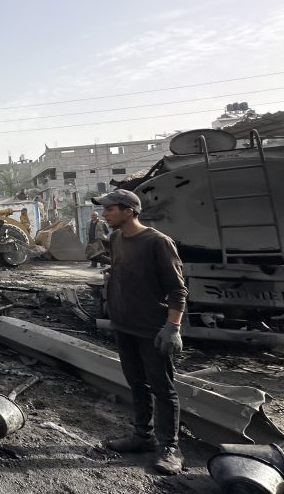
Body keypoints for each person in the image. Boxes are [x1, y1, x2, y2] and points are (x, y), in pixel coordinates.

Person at [92, 188, 187, 475]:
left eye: (109, 209)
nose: (104, 214)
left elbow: (177, 290)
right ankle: (143, 436)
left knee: (163, 389)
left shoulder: (158, 242)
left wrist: (172, 327)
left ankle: (170, 448)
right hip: (125, 326)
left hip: (151, 329)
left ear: (129, 210)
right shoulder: (116, 238)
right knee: (137, 383)